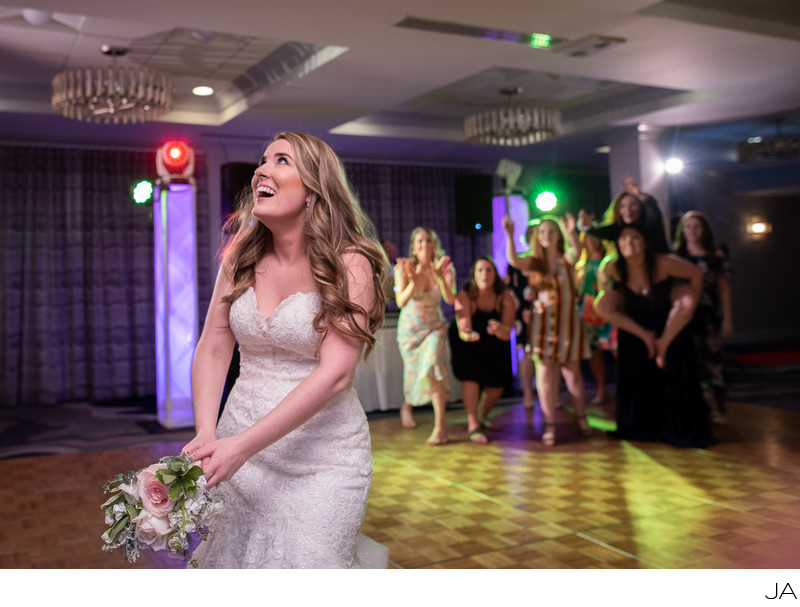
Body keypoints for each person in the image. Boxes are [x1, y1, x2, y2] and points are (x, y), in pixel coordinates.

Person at [183, 132, 388, 568]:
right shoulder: (238, 257)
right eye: (262, 160)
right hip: (237, 442)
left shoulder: (351, 263)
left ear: (315, 188)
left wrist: (241, 446)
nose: (261, 169)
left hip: (321, 457)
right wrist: (207, 434)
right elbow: (215, 347)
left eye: (281, 161)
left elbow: (335, 373)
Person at [594, 222, 715, 448]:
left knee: (686, 302)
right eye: (623, 238)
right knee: (601, 304)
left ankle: (662, 346)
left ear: (645, 243)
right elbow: (604, 293)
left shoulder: (663, 262)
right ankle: (648, 338)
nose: (628, 243)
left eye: (634, 238)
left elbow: (695, 273)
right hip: (636, 322)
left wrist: (694, 301)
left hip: (666, 317)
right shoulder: (613, 266)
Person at [503, 213, 591, 446]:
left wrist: (572, 232)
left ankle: (582, 418)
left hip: (567, 324)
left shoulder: (566, 258)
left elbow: (578, 251)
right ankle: (550, 424)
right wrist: (510, 236)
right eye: (542, 232)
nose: (547, 235)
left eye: (551, 231)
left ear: (558, 235)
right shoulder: (534, 261)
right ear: (537, 237)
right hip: (542, 325)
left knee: (573, 376)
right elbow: (513, 260)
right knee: (544, 376)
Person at [395, 227, 456, 444]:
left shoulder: (445, 269)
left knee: (431, 368)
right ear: (413, 246)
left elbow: (450, 299)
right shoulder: (404, 268)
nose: (424, 244)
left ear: (434, 244)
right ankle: (407, 407)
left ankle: (440, 427)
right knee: (414, 374)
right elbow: (401, 301)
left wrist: (439, 278)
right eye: (419, 240)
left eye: (428, 240)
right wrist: (413, 282)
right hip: (410, 332)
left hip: (434, 328)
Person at [674, 211, 734, 424]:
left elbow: (724, 289)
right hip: (683, 314)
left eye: (697, 226)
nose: (692, 231)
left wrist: (728, 319)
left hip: (708, 314)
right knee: (689, 360)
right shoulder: (677, 254)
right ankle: (694, 407)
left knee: (713, 361)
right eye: (688, 226)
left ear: (705, 229)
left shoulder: (715, 253)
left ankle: (718, 408)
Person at [449, 256, 516, 443]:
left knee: (496, 387)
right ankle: (473, 425)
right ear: (473, 275)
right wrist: (468, 334)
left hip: (494, 343)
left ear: (495, 274)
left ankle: (481, 416)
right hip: (466, 344)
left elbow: (507, 333)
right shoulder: (466, 294)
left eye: (489, 270)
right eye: (480, 270)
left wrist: (500, 329)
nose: (484, 274)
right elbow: (464, 329)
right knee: (471, 378)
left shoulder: (505, 296)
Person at [575, 232, 615, 405]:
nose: (591, 241)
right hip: (589, 312)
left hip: (610, 309)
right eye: (587, 237)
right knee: (595, 353)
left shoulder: (610, 260)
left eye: (594, 236)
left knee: (616, 347)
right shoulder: (580, 264)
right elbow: (578, 290)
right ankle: (601, 388)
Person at [505, 222, 537, 410]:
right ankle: (527, 392)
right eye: (531, 233)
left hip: (546, 312)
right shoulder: (517, 262)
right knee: (526, 352)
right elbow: (508, 289)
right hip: (524, 313)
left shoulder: (549, 262)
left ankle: (551, 394)